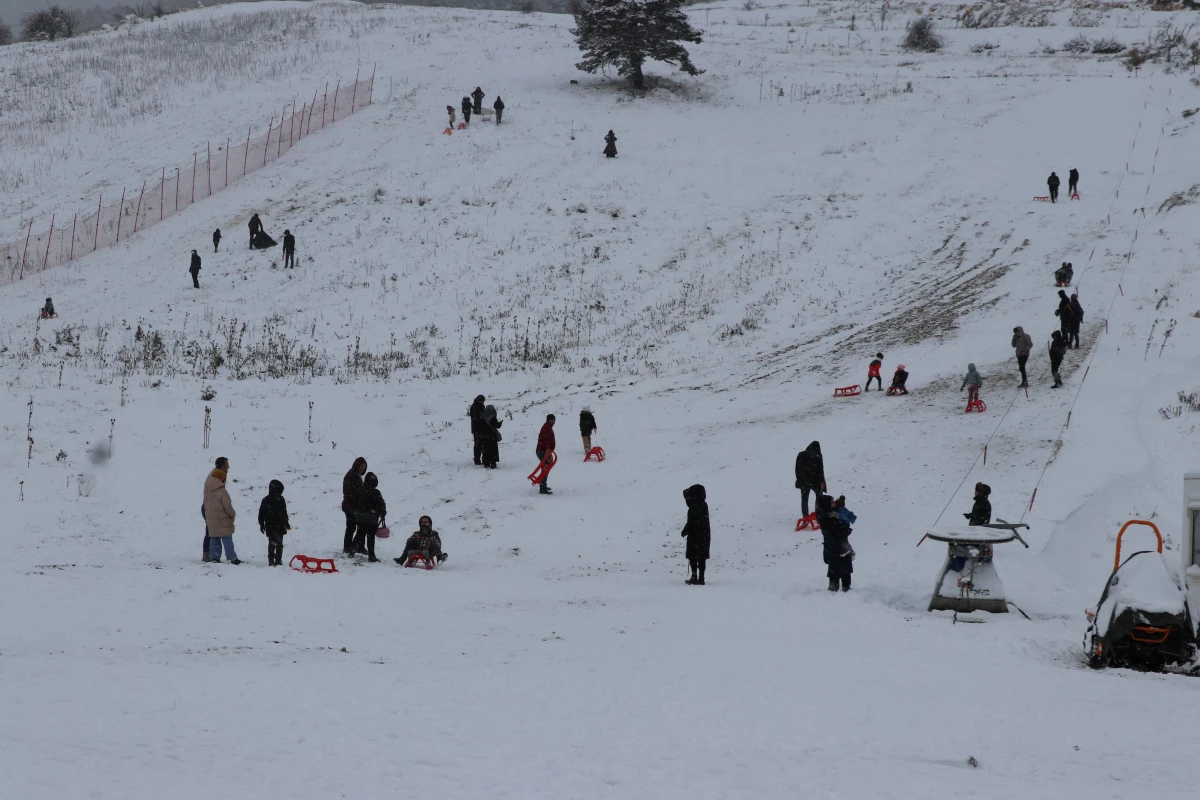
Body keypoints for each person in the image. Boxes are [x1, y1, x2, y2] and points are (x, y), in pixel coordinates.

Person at [204, 457, 240, 564]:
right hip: (222, 516)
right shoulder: (221, 490)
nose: (228, 467)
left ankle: (214, 557)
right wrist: (232, 514)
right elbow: (227, 506)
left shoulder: (210, 481)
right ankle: (232, 558)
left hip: (210, 514)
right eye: (227, 465)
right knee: (227, 537)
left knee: (214, 535)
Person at [817, 494, 853, 592]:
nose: (834, 504)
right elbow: (840, 530)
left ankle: (842, 589)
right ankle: (838, 590)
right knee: (838, 571)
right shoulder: (827, 517)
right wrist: (846, 528)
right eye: (832, 502)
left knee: (840, 570)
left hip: (836, 547)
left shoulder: (827, 514)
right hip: (837, 547)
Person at [681, 484, 710, 585]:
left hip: (695, 535)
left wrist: (684, 531)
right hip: (705, 535)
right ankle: (701, 578)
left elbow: (692, 522)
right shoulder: (704, 504)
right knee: (702, 557)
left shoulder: (694, 506)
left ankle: (694, 576)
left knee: (693, 556)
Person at [257, 479, 291, 566]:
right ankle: (271, 560)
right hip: (271, 525)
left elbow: (284, 512)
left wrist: (286, 522)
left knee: (279, 543)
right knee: (272, 543)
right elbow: (261, 513)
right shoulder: (266, 500)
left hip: (278, 525)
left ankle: (278, 560)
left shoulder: (280, 499)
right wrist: (261, 524)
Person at [354, 472, 386, 562]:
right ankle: (371, 555)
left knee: (360, 534)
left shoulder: (360, 490)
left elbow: (356, 502)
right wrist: (382, 512)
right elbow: (381, 503)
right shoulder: (376, 492)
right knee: (371, 537)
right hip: (373, 518)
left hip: (360, 517)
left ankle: (353, 550)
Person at [200, 456, 227, 562]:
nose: (229, 466)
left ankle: (210, 555)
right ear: (222, 466)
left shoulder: (217, 474)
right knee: (210, 531)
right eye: (226, 465)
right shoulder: (216, 476)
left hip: (210, 507)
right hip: (210, 508)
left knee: (211, 531)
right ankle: (207, 555)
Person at [341, 457, 367, 555]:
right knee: (353, 527)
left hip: (350, 505)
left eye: (364, 467)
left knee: (352, 527)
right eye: (361, 466)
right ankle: (349, 547)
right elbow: (352, 493)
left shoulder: (355, 475)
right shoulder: (353, 476)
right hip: (351, 506)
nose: (362, 469)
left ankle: (353, 547)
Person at [794, 441, 826, 519]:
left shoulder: (801, 454)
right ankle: (817, 515)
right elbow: (820, 470)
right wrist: (822, 482)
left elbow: (797, 469)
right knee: (819, 498)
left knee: (804, 499)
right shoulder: (817, 455)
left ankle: (805, 517)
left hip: (804, 481)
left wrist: (799, 479)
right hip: (815, 481)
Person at [535, 414, 556, 495]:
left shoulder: (548, 427)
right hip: (542, 451)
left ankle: (543, 485)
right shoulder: (546, 427)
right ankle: (543, 488)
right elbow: (546, 439)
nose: (553, 421)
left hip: (545, 451)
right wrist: (547, 449)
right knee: (545, 469)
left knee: (545, 468)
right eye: (551, 420)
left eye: (554, 420)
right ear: (548, 420)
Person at [480, 404, 503, 469]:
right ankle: (493, 463)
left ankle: (486, 462)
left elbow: (479, 427)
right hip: (492, 437)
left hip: (484, 437)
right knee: (493, 450)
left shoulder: (482, 417)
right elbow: (497, 425)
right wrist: (500, 423)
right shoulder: (492, 417)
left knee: (485, 450)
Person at [468, 394, 487, 465]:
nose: (483, 402)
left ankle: (480, 458)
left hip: (482, 428)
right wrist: (481, 419)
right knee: (477, 444)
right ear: (479, 400)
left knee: (481, 444)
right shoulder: (474, 407)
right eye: (482, 401)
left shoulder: (481, 406)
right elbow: (475, 418)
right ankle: (477, 459)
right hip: (476, 428)